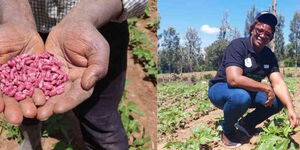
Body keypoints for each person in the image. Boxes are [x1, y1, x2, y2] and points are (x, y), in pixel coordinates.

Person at [0, 0, 147, 149]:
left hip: (97, 25)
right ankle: (32, 140)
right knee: (27, 108)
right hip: (18, 29)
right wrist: (15, 14)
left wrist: (85, 16)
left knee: (100, 118)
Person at [208, 11, 300, 148]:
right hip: (222, 89)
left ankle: (247, 124)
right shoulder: (238, 45)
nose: (263, 35)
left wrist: (291, 108)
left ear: (271, 37)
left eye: (268, 34)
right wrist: (266, 88)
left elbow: (279, 83)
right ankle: (227, 130)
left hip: (247, 91)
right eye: (260, 30)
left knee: (278, 100)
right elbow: (234, 79)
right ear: (252, 29)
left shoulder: (269, 55)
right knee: (241, 97)